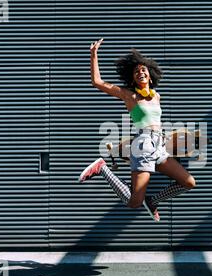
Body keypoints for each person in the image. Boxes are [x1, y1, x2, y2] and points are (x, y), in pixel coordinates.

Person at [78, 38, 196, 222]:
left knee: (188, 182)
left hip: (160, 147)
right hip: (143, 146)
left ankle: (152, 201)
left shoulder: (157, 96)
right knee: (134, 202)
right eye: (136, 72)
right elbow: (97, 82)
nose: (140, 72)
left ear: (150, 75)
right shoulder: (129, 95)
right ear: (132, 78)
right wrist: (93, 54)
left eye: (143, 70)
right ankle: (102, 168)